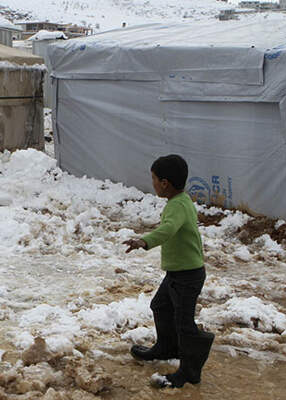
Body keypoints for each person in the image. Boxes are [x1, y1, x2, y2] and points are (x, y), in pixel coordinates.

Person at [123, 154, 214, 389]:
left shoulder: (177, 206)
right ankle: (166, 348)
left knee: (185, 324)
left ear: (165, 183)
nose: (152, 182)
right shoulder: (180, 201)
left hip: (187, 275)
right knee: (161, 306)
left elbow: (168, 229)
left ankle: (189, 371)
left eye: (153, 178)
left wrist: (144, 241)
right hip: (178, 273)